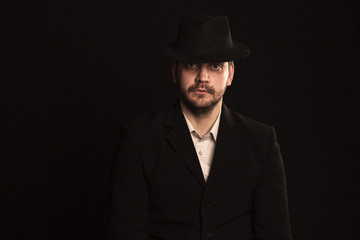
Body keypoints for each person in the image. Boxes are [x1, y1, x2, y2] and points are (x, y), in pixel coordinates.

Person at [109, 15, 292, 240]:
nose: (202, 77)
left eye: (215, 66)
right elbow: (127, 234)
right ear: (175, 71)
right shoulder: (138, 138)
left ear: (230, 74)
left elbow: (275, 235)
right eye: (191, 64)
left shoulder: (262, 141)